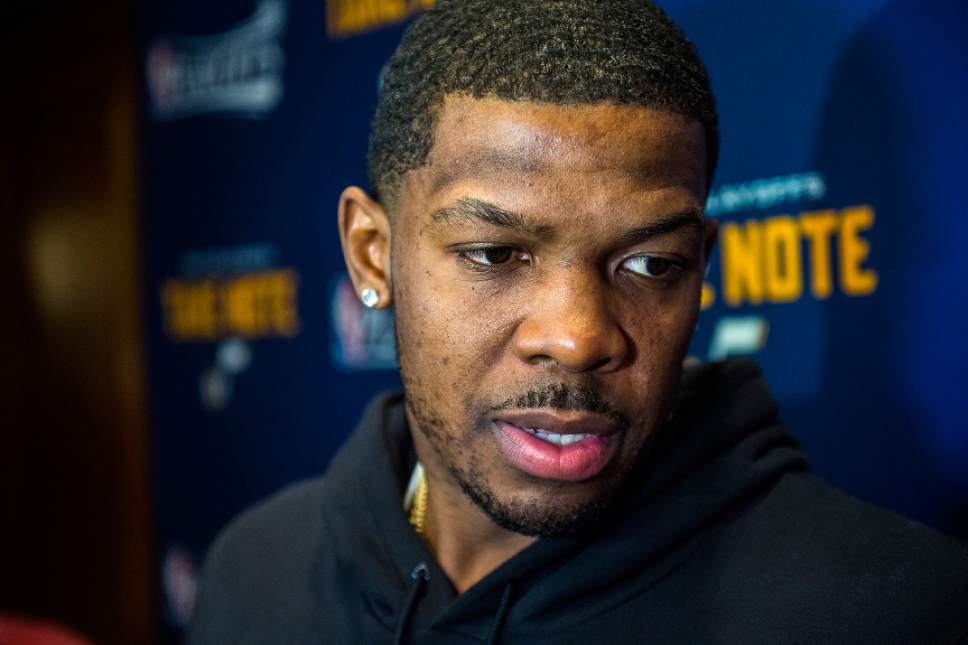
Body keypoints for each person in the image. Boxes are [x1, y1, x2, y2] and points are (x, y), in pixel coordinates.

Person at [188, 1, 968, 643]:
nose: (579, 336)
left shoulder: (889, 611)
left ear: (701, 264)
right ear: (371, 256)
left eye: (652, 265)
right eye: (495, 253)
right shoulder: (256, 575)